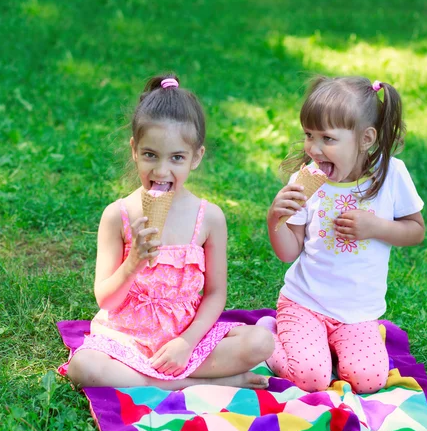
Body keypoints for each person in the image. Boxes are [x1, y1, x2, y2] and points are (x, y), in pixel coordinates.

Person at [62, 74, 273, 389]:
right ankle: (196, 383)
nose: (161, 171)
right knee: (83, 367)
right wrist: (133, 261)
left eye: (177, 158)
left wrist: (186, 343)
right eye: (150, 155)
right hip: (126, 339)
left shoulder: (210, 219)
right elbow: (105, 300)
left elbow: (215, 293)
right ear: (134, 150)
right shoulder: (116, 216)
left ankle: (156, 378)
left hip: (184, 340)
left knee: (261, 343)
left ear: (196, 157)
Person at [262, 75, 425, 394]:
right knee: (311, 378)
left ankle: (330, 346)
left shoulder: (392, 176)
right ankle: (270, 339)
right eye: (309, 135)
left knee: (368, 380)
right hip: (305, 302)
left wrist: (376, 227)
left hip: (358, 313)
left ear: (365, 139)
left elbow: (416, 231)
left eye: (327, 138)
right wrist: (275, 219)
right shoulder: (304, 181)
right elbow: (287, 252)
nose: (314, 148)